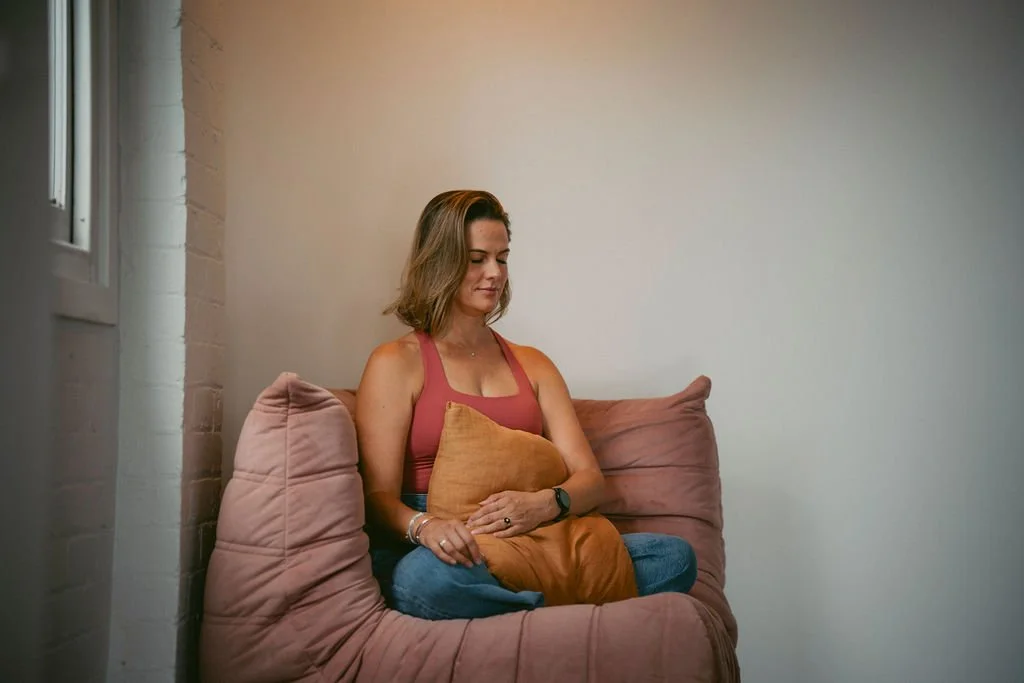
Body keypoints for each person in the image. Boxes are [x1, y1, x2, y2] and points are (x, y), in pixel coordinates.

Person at [355, 190, 697, 620]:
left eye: (502, 258)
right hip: (452, 546)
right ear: (440, 261)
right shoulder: (395, 362)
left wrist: (545, 503)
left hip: (538, 536)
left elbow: (590, 480)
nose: (494, 273)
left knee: (674, 557)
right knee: (420, 581)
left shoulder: (533, 364)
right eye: (477, 259)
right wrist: (426, 527)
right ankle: (562, 618)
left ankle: (526, 617)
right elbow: (377, 498)